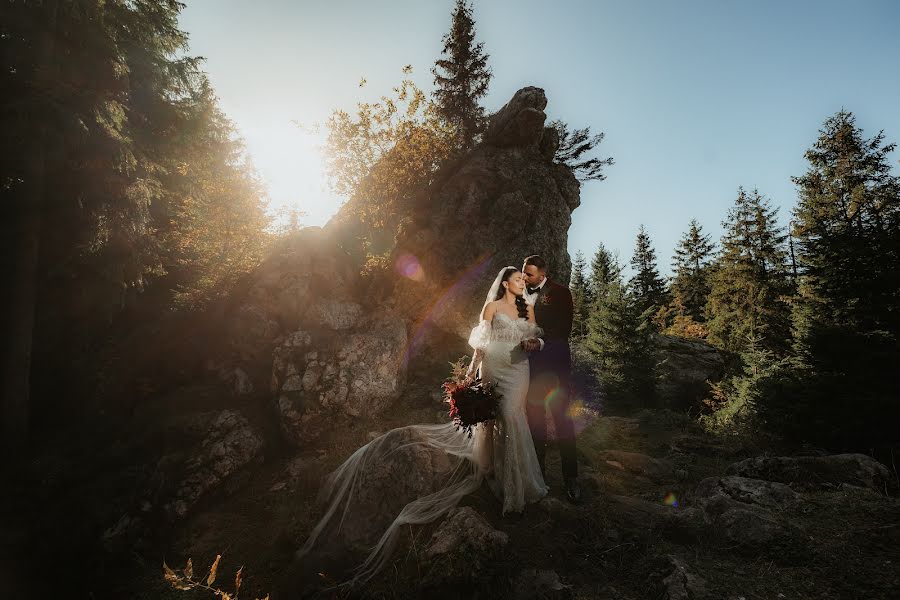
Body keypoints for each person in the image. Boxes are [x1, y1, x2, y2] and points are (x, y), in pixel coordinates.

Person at [294, 266, 549, 588]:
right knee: (492, 420)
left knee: (513, 416)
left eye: (522, 281)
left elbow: (538, 337)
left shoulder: (527, 308)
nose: (519, 284)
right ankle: (496, 472)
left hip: (517, 371)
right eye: (515, 280)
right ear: (504, 284)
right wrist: (469, 376)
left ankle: (519, 488)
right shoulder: (492, 307)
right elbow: (480, 345)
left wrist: (534, 346)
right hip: (493, 367)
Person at [522, 255, 582, 503]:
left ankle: (572, 478)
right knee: (534, 421)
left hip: (556, 366)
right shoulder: (518, 293)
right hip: (529, 369)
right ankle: (539, 476)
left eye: (530, 274)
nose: (525, 278)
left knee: (562, 420)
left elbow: (564, 329)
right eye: (524, 273)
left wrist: (542, 342)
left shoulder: (560, 293)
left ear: (543, 274)